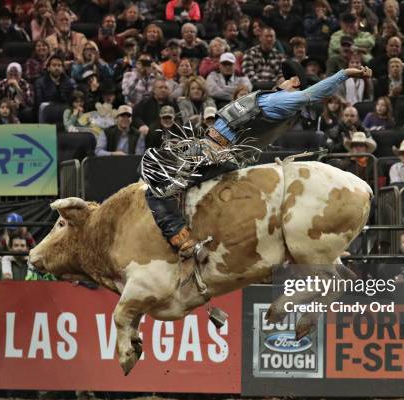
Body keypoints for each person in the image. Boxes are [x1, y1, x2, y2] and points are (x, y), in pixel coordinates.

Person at [141, 66, 372, 266]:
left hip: (213, 152)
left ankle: (183, 241)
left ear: (294, 82)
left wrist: (343, 74)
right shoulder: (273, 101)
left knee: (156, 187)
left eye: (285, 77)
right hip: (216, 150)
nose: (280, 79)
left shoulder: (280, 100)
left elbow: (309, 95)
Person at [35, 54, 76, 122]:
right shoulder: (40, 82)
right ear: (48, 68)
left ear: (62, 68)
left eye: (59, 65)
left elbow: (71, 100)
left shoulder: (69, 82)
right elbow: (39, 103)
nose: (57, 68)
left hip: (64, 112)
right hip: (48, 111)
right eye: (54, 65)